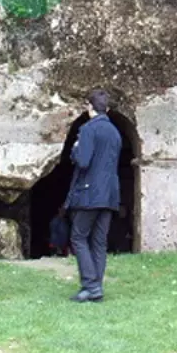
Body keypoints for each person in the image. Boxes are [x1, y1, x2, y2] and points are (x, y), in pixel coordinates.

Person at [64, 89, 122, 303]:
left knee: (78, 237)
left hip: (89, 192)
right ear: (106, 109)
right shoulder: (115, 132)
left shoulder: (88, 129)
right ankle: (96, 286)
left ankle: (90, 285)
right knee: (99, 241)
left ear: (89, 107)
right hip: (109, 195)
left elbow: (84, 160)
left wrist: (76, 149)